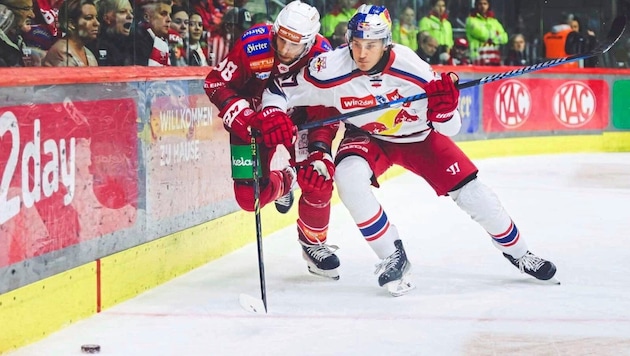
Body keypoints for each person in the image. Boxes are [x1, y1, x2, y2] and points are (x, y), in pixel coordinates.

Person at [259, 4, 558, 296]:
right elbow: (280, 89)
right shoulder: (331, 68)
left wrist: (443, 111)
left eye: (371, 45)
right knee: (348, 177)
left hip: (418, 138)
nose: (362, 54)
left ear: (386, 43)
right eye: (357, 44)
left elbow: (450, 128)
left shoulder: (411, 68)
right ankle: (392, 255)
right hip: (368, 136)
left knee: (474, 194)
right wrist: (273, 112)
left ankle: (520, 253)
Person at [203, 0, 341, 279]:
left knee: (318, 176)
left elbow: (326, 109)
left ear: (310, 41)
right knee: (249, 198)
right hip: (254, 124)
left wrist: (319, 149)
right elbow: (216, 83)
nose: (285, 50)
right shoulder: (254, 45)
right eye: (281, 40)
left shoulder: (323, 58)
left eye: (295, 45)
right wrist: (248, 121)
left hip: (301, 121)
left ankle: (314, 243)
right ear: (275, 31)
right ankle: (287, 179)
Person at [42, 0, 100, 66]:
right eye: (89, 18)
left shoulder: (88, 53)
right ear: (71, 24)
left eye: (96, 18)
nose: (97, 23)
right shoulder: (62, 52)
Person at [89, 0, 134, 66]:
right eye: (122, 12)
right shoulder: (94, 45)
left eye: (131, 12)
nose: (131, 16)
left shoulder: (131, 44)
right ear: (107, 18)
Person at [465, 0, 507, 66]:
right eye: (480, 4)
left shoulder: (494, 21)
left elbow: (504, 38)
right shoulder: (471, 20)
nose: (483, 6)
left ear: (488, 5)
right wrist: (495, 34)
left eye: (485, 4)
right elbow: (483, 35)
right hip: (477, 56)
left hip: (493, 57)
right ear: (476, 5)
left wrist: (491, 37)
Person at [132, 0, 172, 66]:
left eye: (169, 14)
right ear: (147, 17)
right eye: (163, 14)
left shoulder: (164, 42)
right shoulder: (137, 42)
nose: (169, 19)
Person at [0, 0, 36, 66]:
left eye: (31, 9)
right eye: (26, 9)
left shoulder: (17, 37)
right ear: (3, 10)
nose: (32, 15)